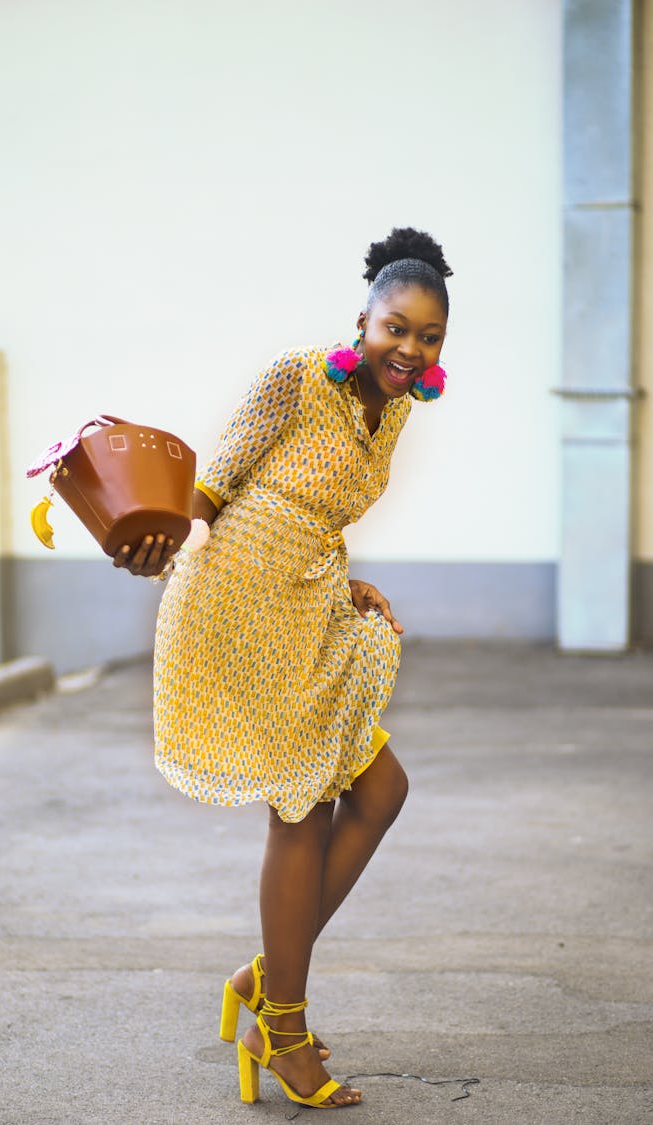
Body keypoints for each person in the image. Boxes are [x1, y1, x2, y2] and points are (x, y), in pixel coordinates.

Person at [114, 226, 452, 1109]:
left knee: (379, 791)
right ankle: (284, 1028)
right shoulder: (299, 377)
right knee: (303, 810)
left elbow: (314, 509)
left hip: (307, 605)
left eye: (428, 337)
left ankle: (265, 978)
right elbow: (215, 486)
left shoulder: (398, 407)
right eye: (396, 328)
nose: (409, 349)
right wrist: (159, 536)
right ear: (363, 321)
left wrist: (348, 581)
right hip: (235, 607)